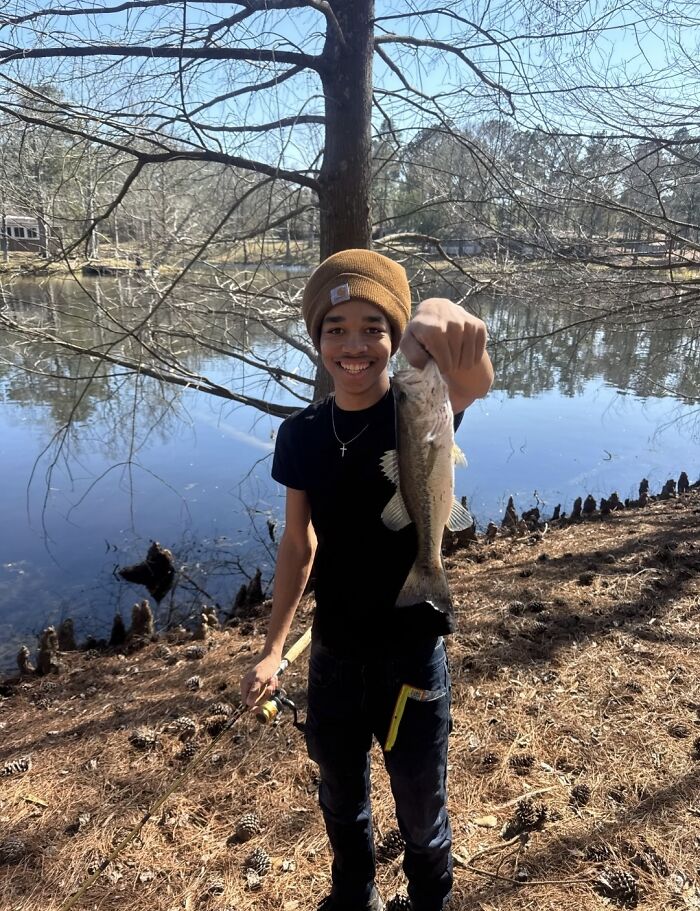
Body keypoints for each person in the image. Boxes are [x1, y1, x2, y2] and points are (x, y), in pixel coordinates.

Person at [241, 249, 493, 911]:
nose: (354, 344)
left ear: (394, 336)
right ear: (317, 339)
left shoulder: (417, 403)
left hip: (412, 658)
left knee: (421, 811)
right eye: (336, 328)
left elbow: (472, 373)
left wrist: (434, 315)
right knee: (341, 801)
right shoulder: (298, 433)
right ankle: (354, 895)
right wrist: (274, 648)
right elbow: (299, 544)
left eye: (373, 326)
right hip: (333, 658)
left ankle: (430, 900)